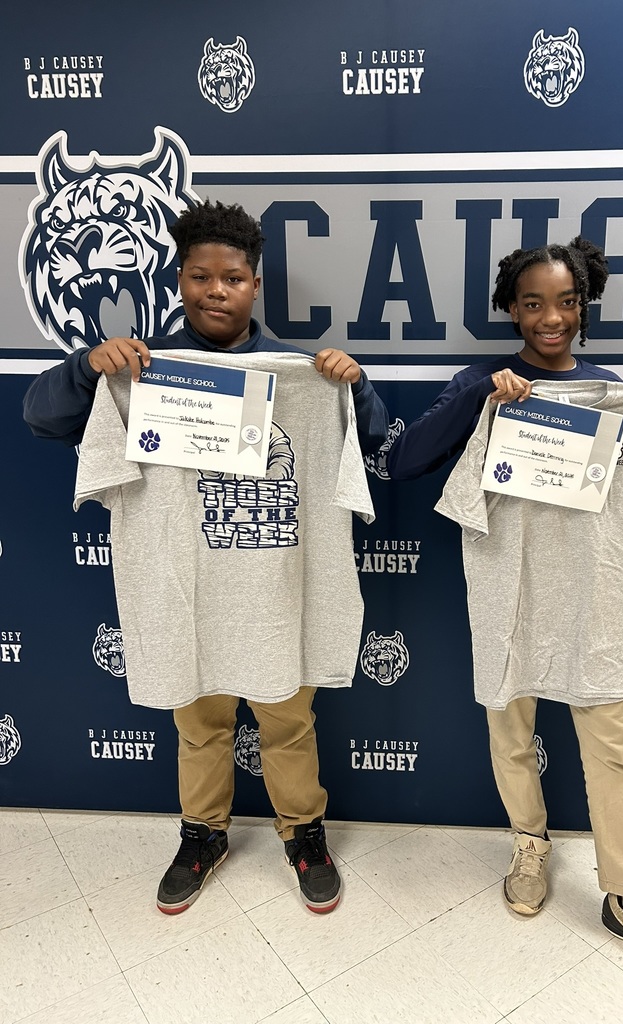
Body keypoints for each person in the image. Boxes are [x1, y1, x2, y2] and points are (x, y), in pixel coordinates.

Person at [24, 199, 389, 916]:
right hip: (184, 589)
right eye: (199, 276)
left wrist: (355, 385)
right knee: (198, 724)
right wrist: (86, 367)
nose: (215, 290)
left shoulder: (303, 373)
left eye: (232, 278)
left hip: (278, 591)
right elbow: (42, 415)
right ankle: (204, 833)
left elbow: (368, 440)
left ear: (255, 285)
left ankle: (302, 832)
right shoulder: (142, 368)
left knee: (288, 723)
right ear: (180, 281)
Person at [387, 237, 623, 983]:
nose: (551, 318)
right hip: (511, 589)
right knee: (511, 727)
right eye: (533, 303)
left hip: (596, 599)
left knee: (613, 743)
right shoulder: (482, 381)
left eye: (566, 302)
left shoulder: (613, 389)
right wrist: (482, 400)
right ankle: (529, 842)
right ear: (511, 308)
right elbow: (408, 462)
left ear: (584, 306)